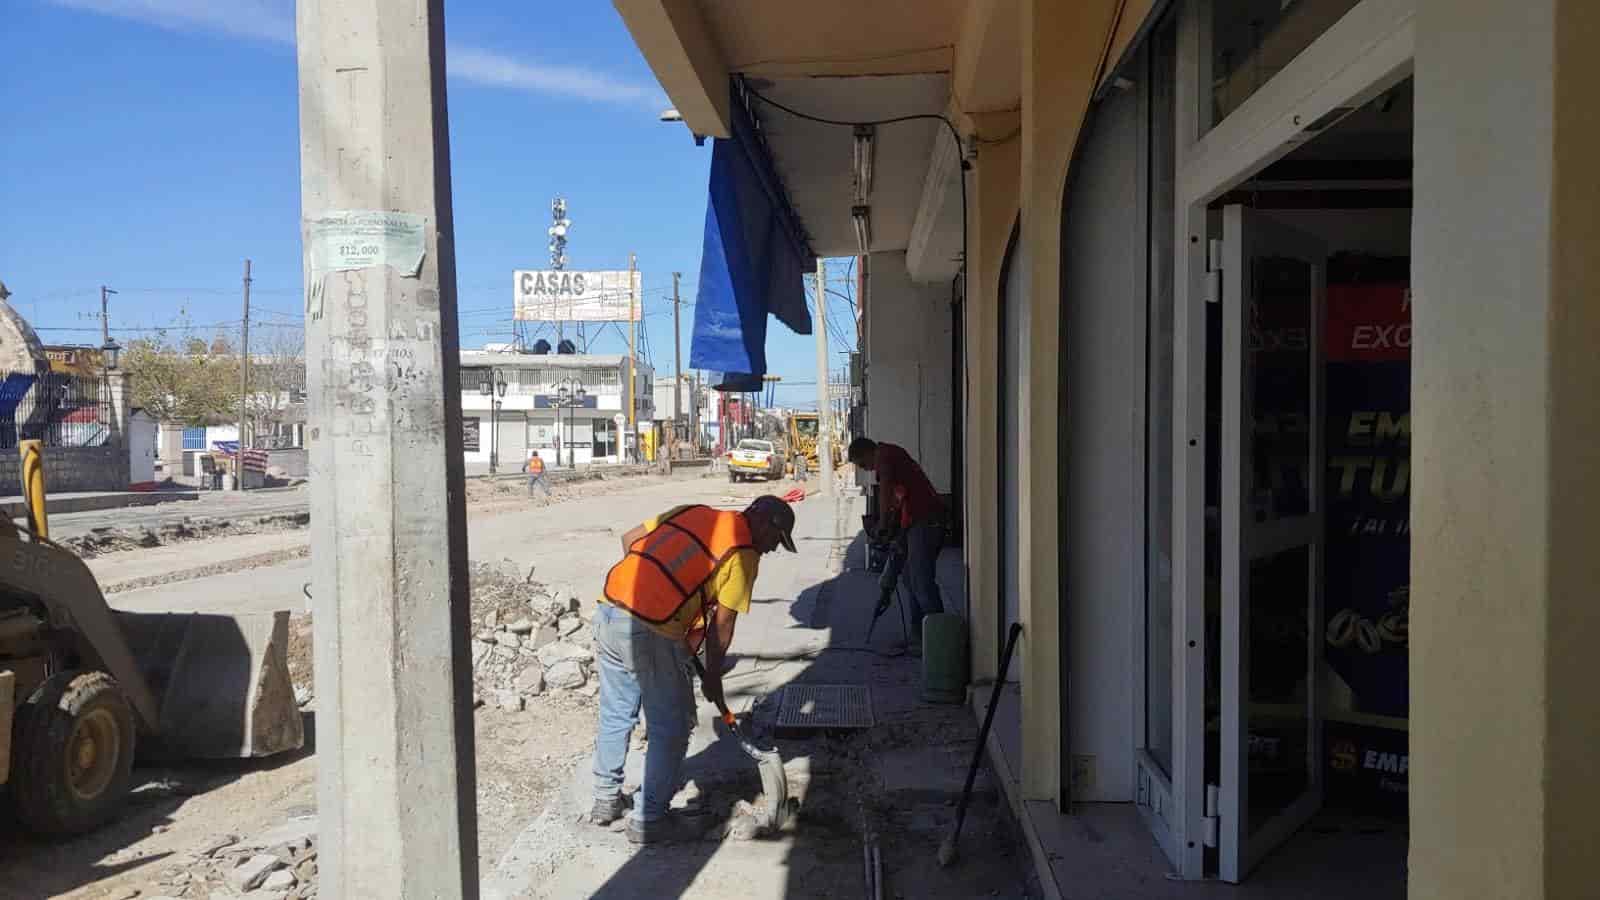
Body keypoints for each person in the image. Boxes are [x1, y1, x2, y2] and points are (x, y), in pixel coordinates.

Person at [589, 494, 797, 844]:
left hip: (609, 611)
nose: (774, 549)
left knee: (616, 713)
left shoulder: (697, 512)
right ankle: (649, 819)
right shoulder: (743, 552)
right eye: (776, 540)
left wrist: (646, 590)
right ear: (764, 524)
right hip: (649, 630)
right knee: (671, 727)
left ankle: (605, 800)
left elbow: (629, 539)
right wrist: (713, 678)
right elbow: (723, 626)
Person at [847, 437, 946, 650]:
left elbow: (885, 491)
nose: (866, 469)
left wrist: (882, 525)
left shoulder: (885, 455)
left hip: (927, 521)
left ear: (868, 452)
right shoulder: (890, 457)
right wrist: (897, 532)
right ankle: (919, 636)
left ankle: (939, 641)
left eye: (863, 464)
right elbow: (897, 501)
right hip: (915, 522)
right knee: (910, 579)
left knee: (921, 581)